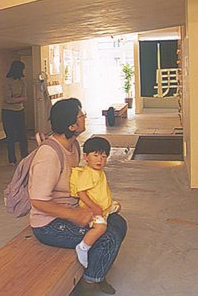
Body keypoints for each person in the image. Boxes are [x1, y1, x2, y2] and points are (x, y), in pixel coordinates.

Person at [29, 98, 127, 296]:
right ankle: (88, 284)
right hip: (48, 223)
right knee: (107, 238)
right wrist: (74, 214)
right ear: (71, 126)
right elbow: (37, 201)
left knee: (119, 223)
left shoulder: (73, 145)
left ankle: (96, 273)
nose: (84, 118)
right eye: (81, 116)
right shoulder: (49, 155)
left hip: (72, 208)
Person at [70, 136, 121, 269]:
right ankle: (83, 246)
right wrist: (94, 207)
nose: (100, 160)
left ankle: (108, 210)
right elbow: (81, 193)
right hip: (91, 209)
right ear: (86, 157)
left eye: (104, 156)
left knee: (118, 207)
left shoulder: (98, 171)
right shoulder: (88, 173)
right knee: (101, 227)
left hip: (102, 205)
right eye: (96, 155)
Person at [2, 60, 28, 165]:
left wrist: (16, 98)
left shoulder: (22, 82)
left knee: (23, 134)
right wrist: (19, 98)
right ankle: (12, 159)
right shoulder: (7, 82)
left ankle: (25, 155)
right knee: (10, 136)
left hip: (20, 110)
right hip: (8, 112)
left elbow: (25, 97)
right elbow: (7, 99)